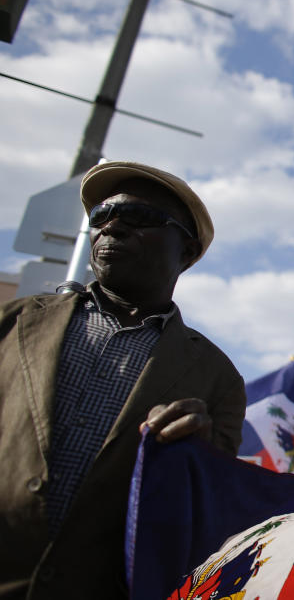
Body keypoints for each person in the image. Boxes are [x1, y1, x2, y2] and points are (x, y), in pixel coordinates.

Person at [0, 161, 247, 599]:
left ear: (186, 252)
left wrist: (198, 457)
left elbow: (210, 520)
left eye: (139, 218)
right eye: (100, 217)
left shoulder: (217, 378)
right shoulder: (13, 323)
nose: (111, 227)